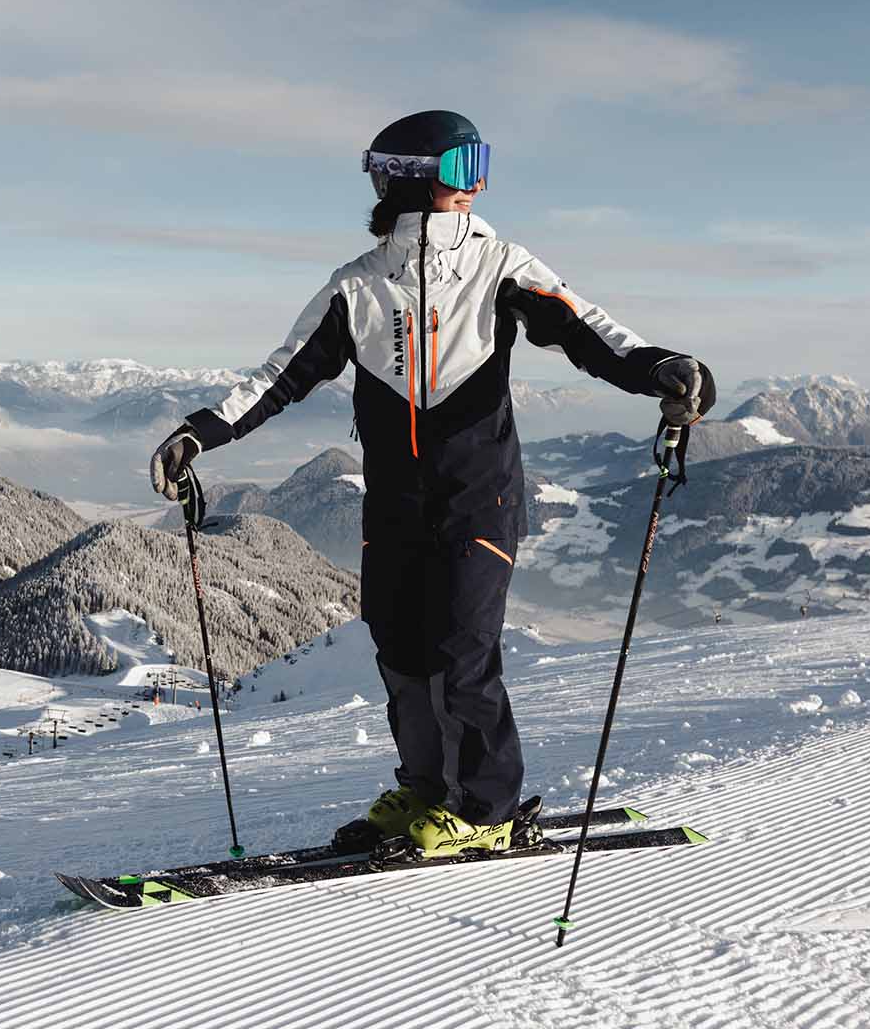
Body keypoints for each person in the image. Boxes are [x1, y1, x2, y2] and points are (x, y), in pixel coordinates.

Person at [149, 110, 715, 859]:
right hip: (393, 505)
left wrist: (661, 369)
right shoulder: (355, 288)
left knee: (462, 651)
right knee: (401, 650)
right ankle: (425, 790)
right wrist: (202, 431)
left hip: (481, 496)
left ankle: (485, 809)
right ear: (415, 178)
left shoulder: (501, 264)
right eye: (463, 165)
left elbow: (589, 332)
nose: (477, 183)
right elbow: (279, 377)